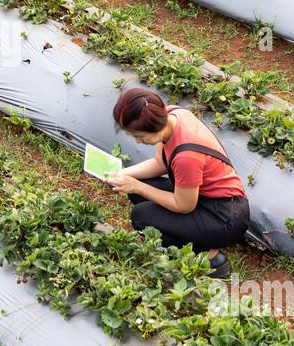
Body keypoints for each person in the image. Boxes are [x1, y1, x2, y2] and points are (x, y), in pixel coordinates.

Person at [105, 88, 248, 278]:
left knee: (141, 216)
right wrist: (121, 174)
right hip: (204, 197)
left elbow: (184, 205)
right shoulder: (173, 115)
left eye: (140, 137)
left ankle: (210, 258)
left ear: (155, 126)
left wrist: (137, 185)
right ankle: (194, 236)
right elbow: (160, 163)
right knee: (136, 190)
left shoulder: (186, 156)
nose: (139, 142)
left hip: (225, 216)